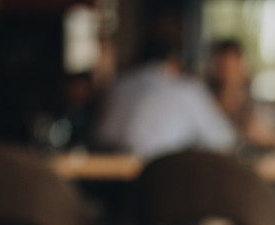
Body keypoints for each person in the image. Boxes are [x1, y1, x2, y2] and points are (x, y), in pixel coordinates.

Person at [95, 36, 235, 161]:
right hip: (166, 179)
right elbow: (224, 140)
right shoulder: (187, 89)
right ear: (174, 61)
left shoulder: (118, 86)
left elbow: (101, 137)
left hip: (115, 182)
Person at [207, 39, 275, 151]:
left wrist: (267, 137)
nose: (229, 74)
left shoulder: (252, 106)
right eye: (225, 68)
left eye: (234, 67)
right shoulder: (203, 103)